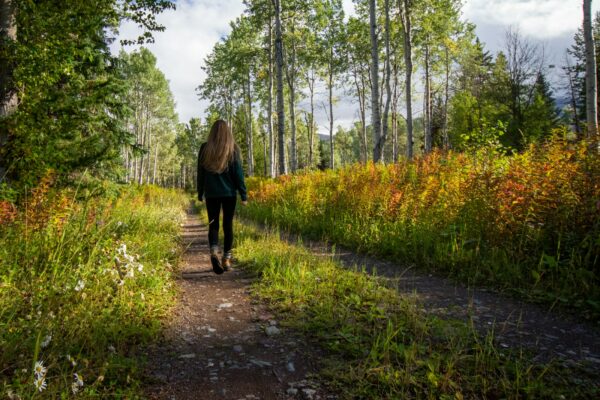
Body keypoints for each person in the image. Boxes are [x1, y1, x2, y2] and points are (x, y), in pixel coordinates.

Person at [197, 120, 247, 274]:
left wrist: (200, 192)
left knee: (213, 224)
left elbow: (200, 173)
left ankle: (213, 253)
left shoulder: (205, 148)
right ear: (228, 132)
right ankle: (226, 259)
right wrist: (243, 194)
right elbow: (238, 174)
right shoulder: (233, 149)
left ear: (212, 132)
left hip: (211, 194)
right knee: (228, 225)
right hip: (229, 194)